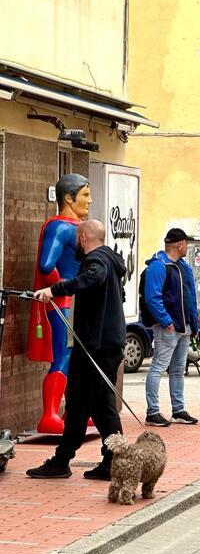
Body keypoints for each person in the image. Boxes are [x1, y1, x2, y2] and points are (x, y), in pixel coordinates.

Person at [27, 221, 127, 479]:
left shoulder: (97, 260)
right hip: (102, 343)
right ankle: (66, 459)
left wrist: (54, 289)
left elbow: (93, 277)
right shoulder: (112, 259)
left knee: (100, 404)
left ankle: (112, 459)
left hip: (97, 346)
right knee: (80, 402)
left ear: (83, 238)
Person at [27, 174, 91, 435]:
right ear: (68, 197)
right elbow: (46, 264)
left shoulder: (72, 226)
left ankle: (70, 410)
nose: (89, 200)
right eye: (85, 194)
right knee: (63, 354)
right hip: (63, 301)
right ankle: (50, 414)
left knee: (73, 356)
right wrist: (58, 289)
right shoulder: (60, 227)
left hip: (71, 299)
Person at [142, 228, 199, 427]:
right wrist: (166, 321)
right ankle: (153, 411)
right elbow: (152, 297)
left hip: (184, 326)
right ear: (179, 245)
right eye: (186, 244)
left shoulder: (183, 267)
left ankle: (178, 410)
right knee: (158, 366)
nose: (187, 248)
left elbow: (191, 296)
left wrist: (194, 322)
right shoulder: (159, 266)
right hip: (169, 327)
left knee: (178, 369)